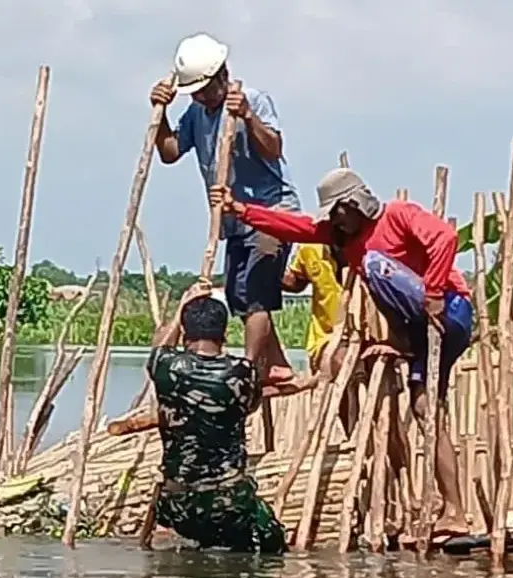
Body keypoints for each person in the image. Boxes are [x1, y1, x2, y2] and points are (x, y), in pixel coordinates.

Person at [208, 168, 474, 537]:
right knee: (425, 409)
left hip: (450, 310)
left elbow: (444, 237)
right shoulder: (340, 236)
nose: (334, 221)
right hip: (421, 330)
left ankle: (403, 340)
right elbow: (294, 227)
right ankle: (455, 511)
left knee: (375, 266)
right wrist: (242, 210)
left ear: (354, 205)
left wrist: (432, 292)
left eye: (338, 212)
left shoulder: (398, 214)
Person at [149, 32, 302, 395]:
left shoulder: (253, 100)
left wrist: (247, 117)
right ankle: (276, 365)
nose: (201, 97)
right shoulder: (196, 114)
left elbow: (272, 149)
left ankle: (248, 372)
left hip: (270, 212)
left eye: (205, 90)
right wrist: (162, 115)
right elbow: (170, 152)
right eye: (195, 92)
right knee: (237, 296)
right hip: (232, 220)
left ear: (222, 75)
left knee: (257, 293)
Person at [145, 282, 287, 554]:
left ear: (185, 332)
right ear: (224, 333)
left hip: (178, 506)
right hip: (229, 506)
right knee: (271, 538)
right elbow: (260, 318)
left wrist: (182, 307)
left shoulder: (166, 367)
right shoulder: (241, 373)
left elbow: (159, 348)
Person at [281, 243, 343, 381]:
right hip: (324, 338)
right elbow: (296, 282)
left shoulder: (371, 245)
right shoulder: (310, 247)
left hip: (361, 336)